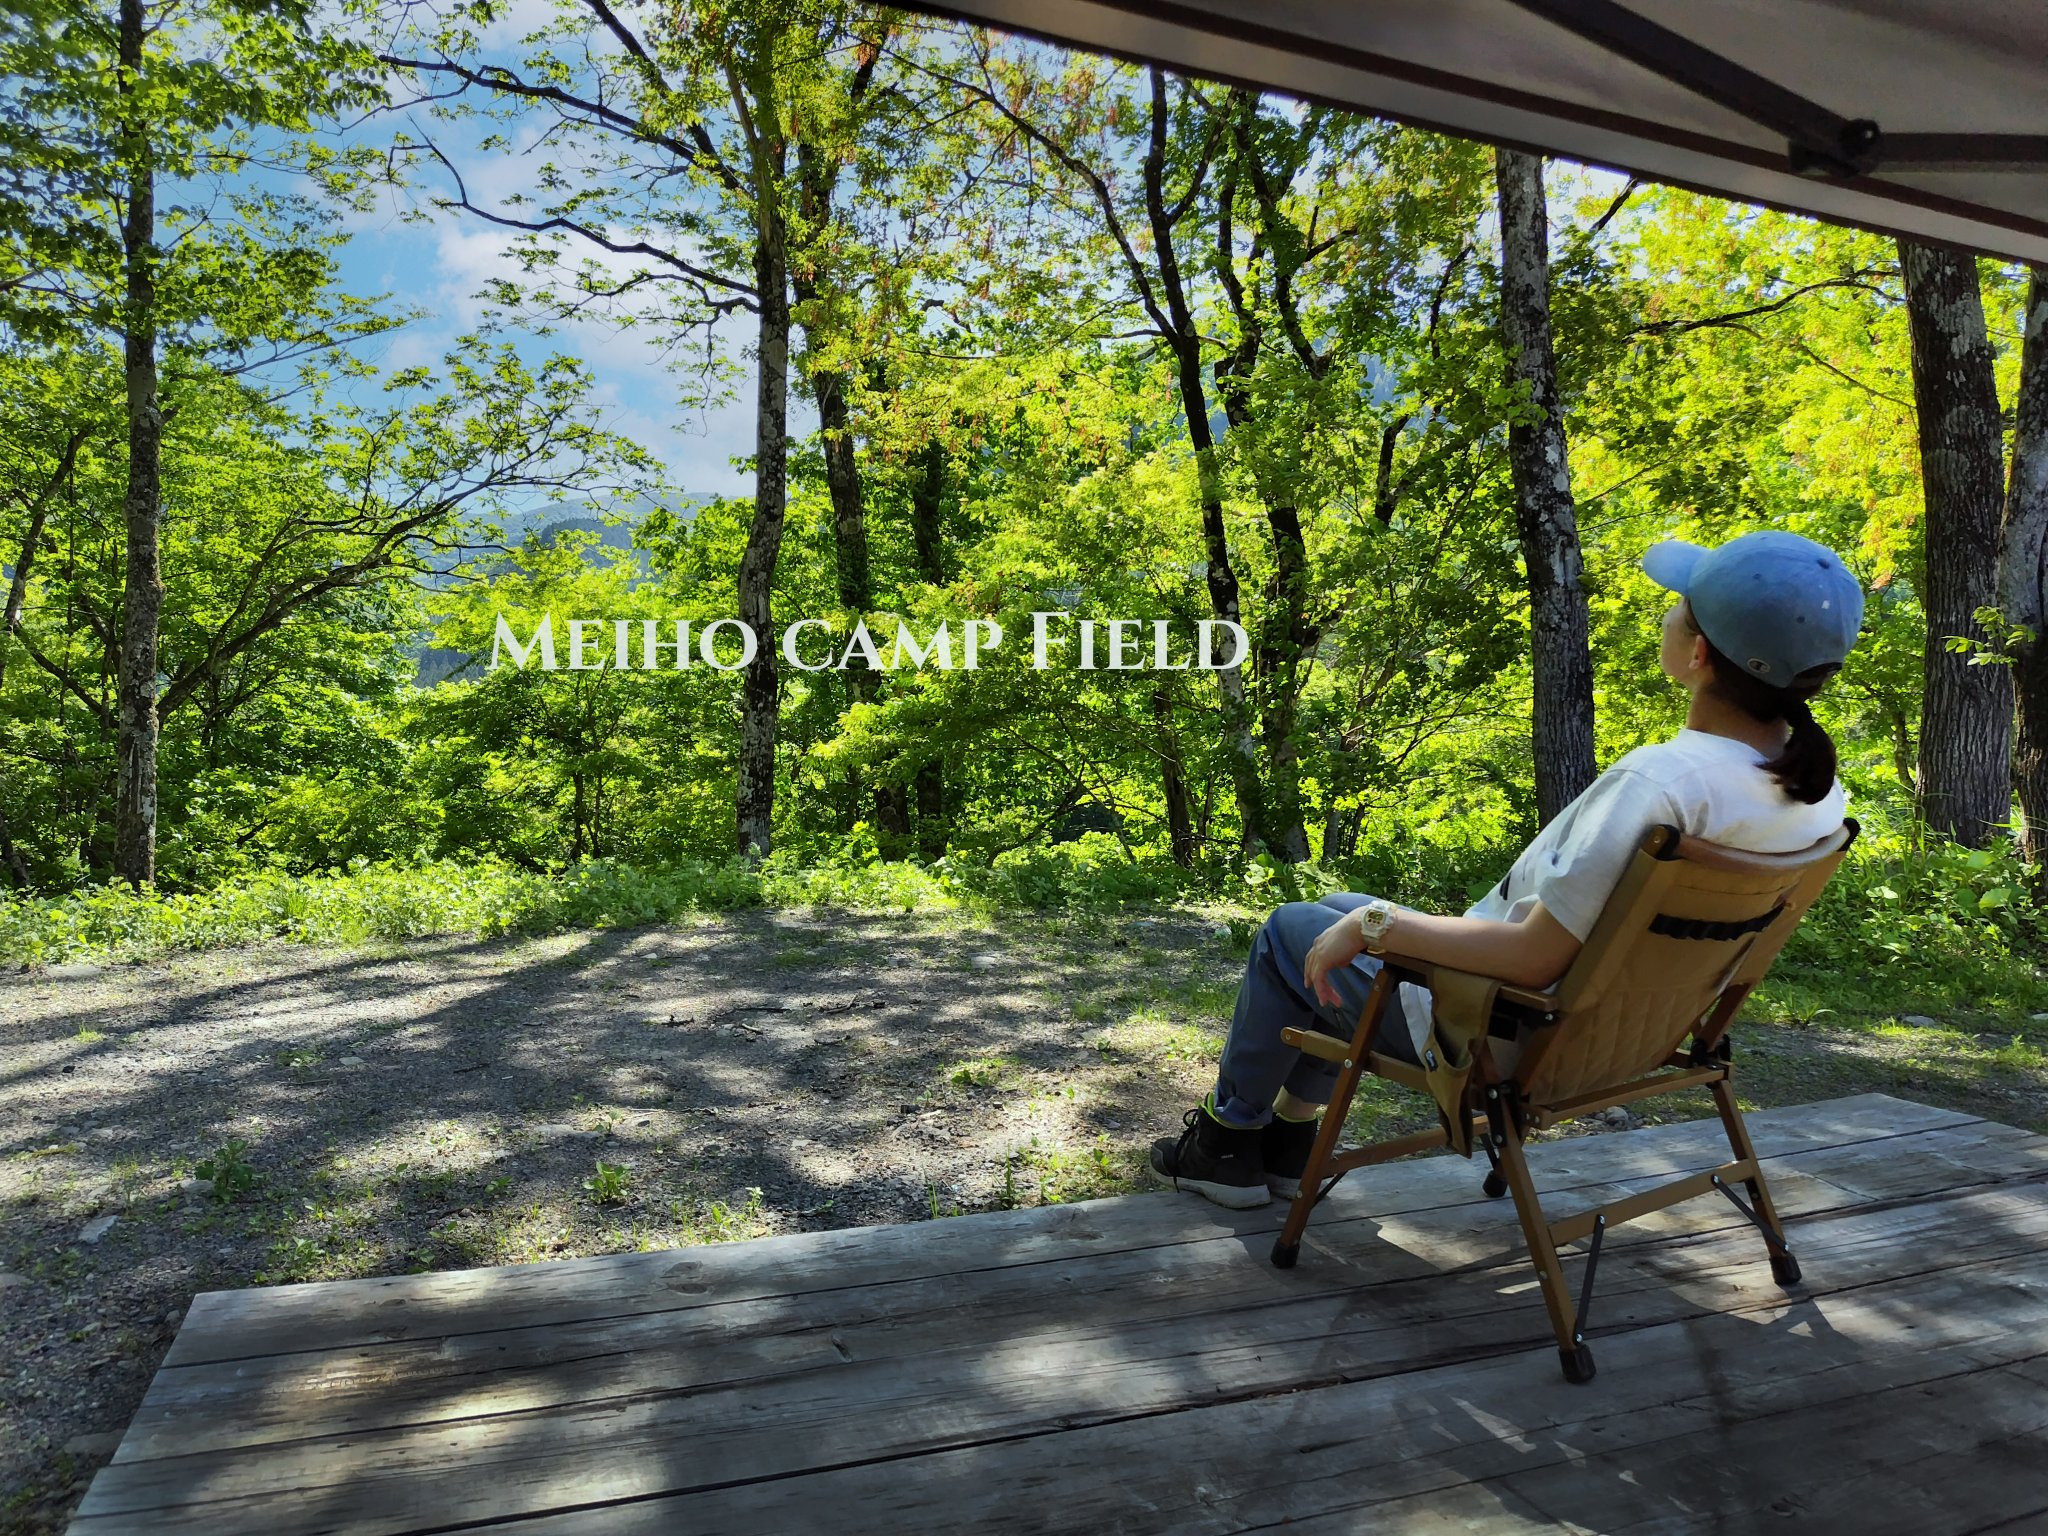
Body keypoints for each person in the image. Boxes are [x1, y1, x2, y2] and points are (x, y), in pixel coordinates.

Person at [1151, 529, 1865, 1209]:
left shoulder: (1665, 784)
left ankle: (1227, 1142)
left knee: (1291, 931)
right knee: (1333, 908)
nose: (1667, 613)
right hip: (1628, 1036)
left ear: (1700, 651)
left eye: (1677, 605)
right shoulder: (1818, 797)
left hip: (1496, 1031)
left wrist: (1379, 925)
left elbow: (1531, 959)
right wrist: (1364, 920)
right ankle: (1282, 1147)